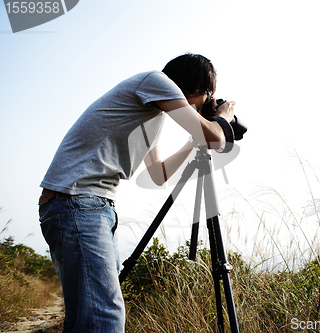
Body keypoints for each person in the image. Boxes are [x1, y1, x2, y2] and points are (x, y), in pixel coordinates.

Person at [38, 53, 235, 332]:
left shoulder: (150, 115)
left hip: (89, 205)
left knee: (89, 315)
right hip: (78, 200)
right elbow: (216, 138)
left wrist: (195, 141)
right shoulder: (157, 81)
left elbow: (159, 174)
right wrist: (222, 118)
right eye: (207, 95)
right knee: (103, 317)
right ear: (196, 88)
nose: (205, 103)